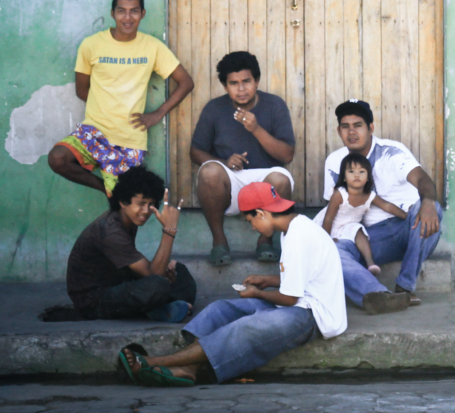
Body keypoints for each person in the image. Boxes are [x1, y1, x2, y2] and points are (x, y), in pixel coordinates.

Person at [117, 181, 346, 386]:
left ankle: (153, 361)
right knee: (221, 309)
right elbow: (303, 277)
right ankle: (188, 368)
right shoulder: (292, 229)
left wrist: (257, 293)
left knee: (245, 327)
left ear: (261, 213)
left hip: (314, 316)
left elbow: (289, 297)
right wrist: (267, 280)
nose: (253, 228)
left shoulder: (298, 235)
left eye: (250, 222)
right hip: (300, 304)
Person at [48, 0, 195, 197]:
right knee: (57, 158)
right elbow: (82, 90)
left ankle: (116, 195)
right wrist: (106, 108)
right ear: (112, 13)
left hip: (130, 138)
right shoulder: (91, 45)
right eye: (121, 11)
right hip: (94, 132)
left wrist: (157, 114)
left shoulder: (152, 47)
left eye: (134, 11)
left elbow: (186, 82)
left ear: (142, 14)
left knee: (128, 207)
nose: (127, 18)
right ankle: (107, 191)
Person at [324, 100, 443, 313]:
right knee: (333, 251)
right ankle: (379, 296)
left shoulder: (392, 151)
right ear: (338, 131)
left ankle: (404, 287)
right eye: (345, 126)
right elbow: (333, 210)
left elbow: (423, 179)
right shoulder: (335, 162)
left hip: (408, 228)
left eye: (358, 125)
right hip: (371, 238)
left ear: (370, 128)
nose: (351, 132)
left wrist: (427, 202)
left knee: (431, 209)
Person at [190, 51, 296, 266]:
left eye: (247, 81)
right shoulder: (214, 108)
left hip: (264, 180)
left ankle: (265, 241)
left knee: (281, 179)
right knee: (209, 171)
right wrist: (224, 163)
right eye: (233, 83)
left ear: (257, 81)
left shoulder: (274, 105)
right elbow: (195, 152)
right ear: (225, 86)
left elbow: (287, 155)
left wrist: (256, 129)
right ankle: (219, 242)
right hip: (231, 180)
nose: (241, 89)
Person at [65, 166, 195, 321]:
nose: (146, 211)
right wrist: (169, 230)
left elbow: (142, 270)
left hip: (118, 283)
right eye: (141, 203)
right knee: (158, 285)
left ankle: (165, 307)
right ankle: (166, 307)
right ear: (123, 201)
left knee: (179, 271)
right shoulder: (111, 231)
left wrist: (168, 275)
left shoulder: (127, 220)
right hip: (93, 302)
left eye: (151, 204)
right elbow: (153, 275)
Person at [313, 152, 408, 276]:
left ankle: (370, 264)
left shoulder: (369, 196)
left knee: (359, 231)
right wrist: (328, 239)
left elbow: (387, 206)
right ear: (344, 177)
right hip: (328, 227)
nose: (356, 175)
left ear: (368, 177)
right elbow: (329, 218)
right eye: (351, 172)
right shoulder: (340, 195)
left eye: (362, 172)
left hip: (349, 228)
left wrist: (406, 216)